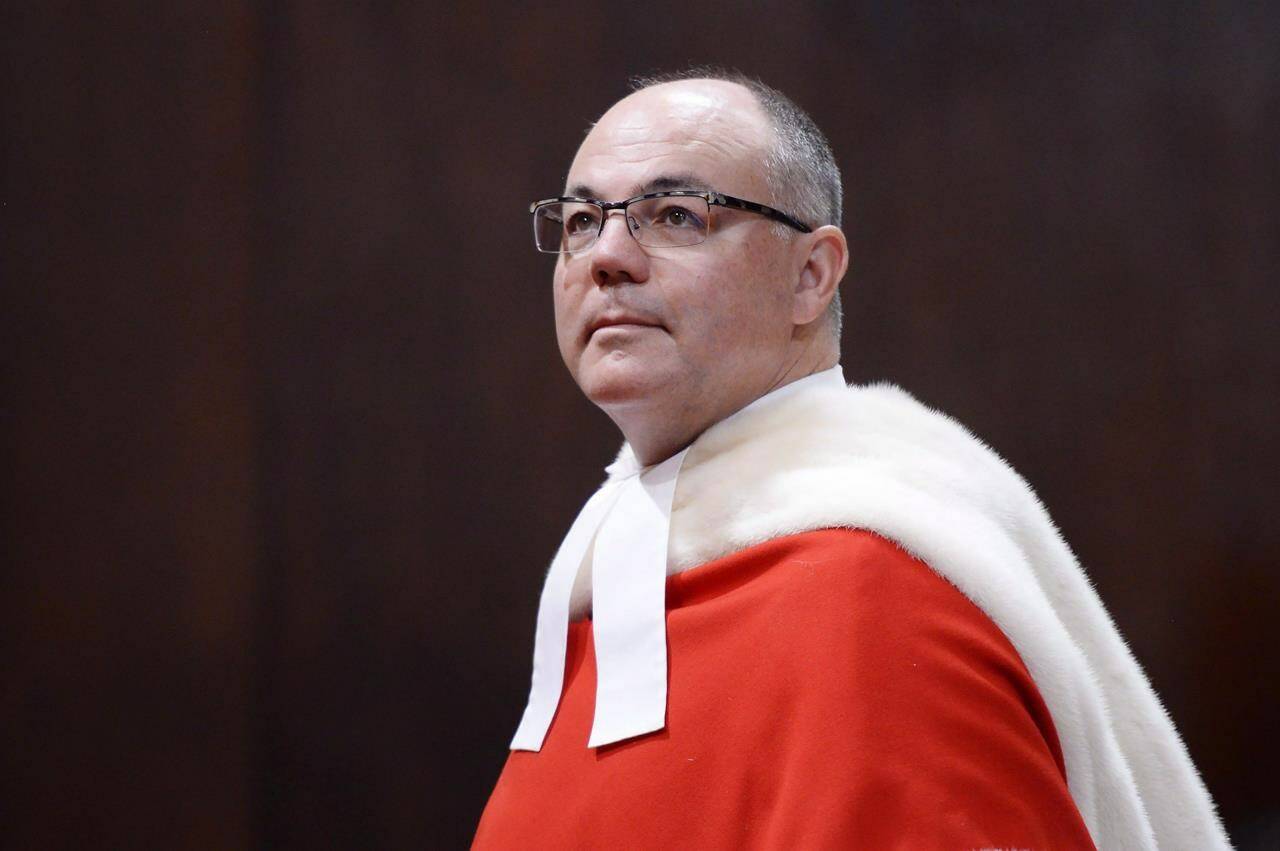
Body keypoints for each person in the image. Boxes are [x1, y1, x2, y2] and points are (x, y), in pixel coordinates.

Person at [472, 69, 1229, 849]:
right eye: (582, 221)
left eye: (673, 215)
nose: (607, 256)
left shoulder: (876, 590)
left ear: (811, 274)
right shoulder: (616, 567)